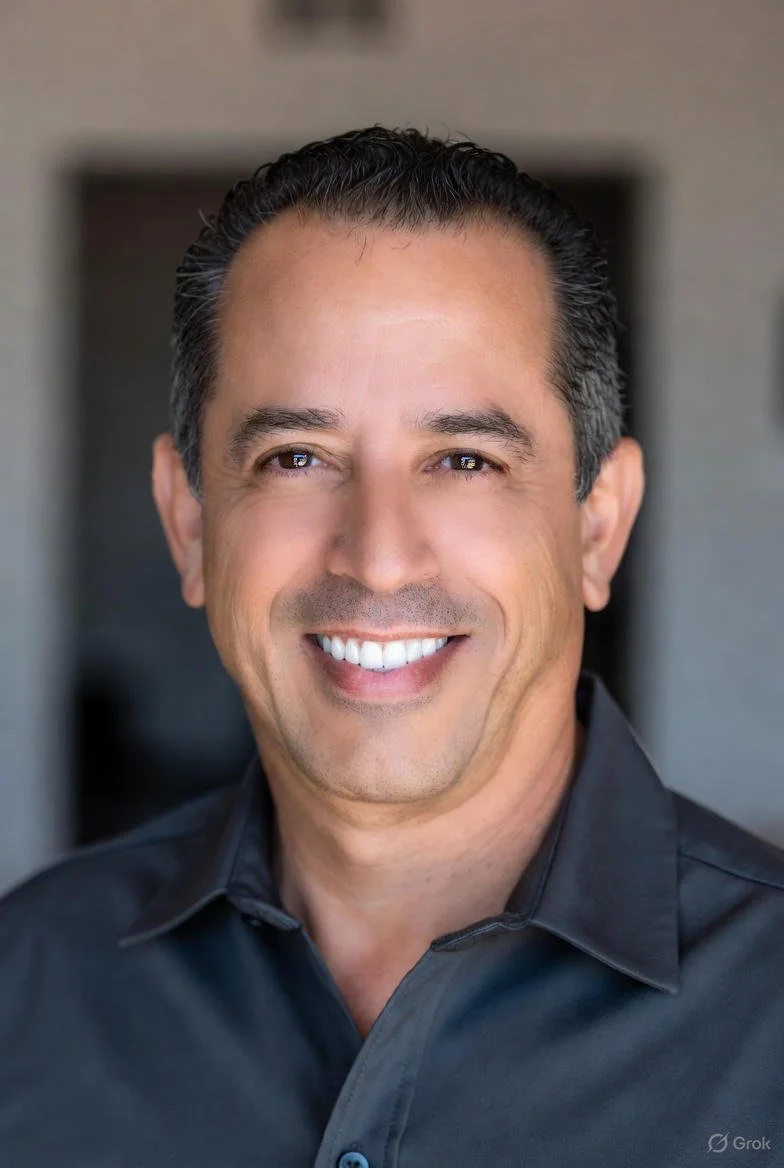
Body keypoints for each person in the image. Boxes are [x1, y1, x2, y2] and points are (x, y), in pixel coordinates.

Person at [1, 126, 783, 1167]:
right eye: (296, 456)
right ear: (190, 522)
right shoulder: (26, 982)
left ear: (597, 524)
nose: (375, 556)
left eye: (462, 458)